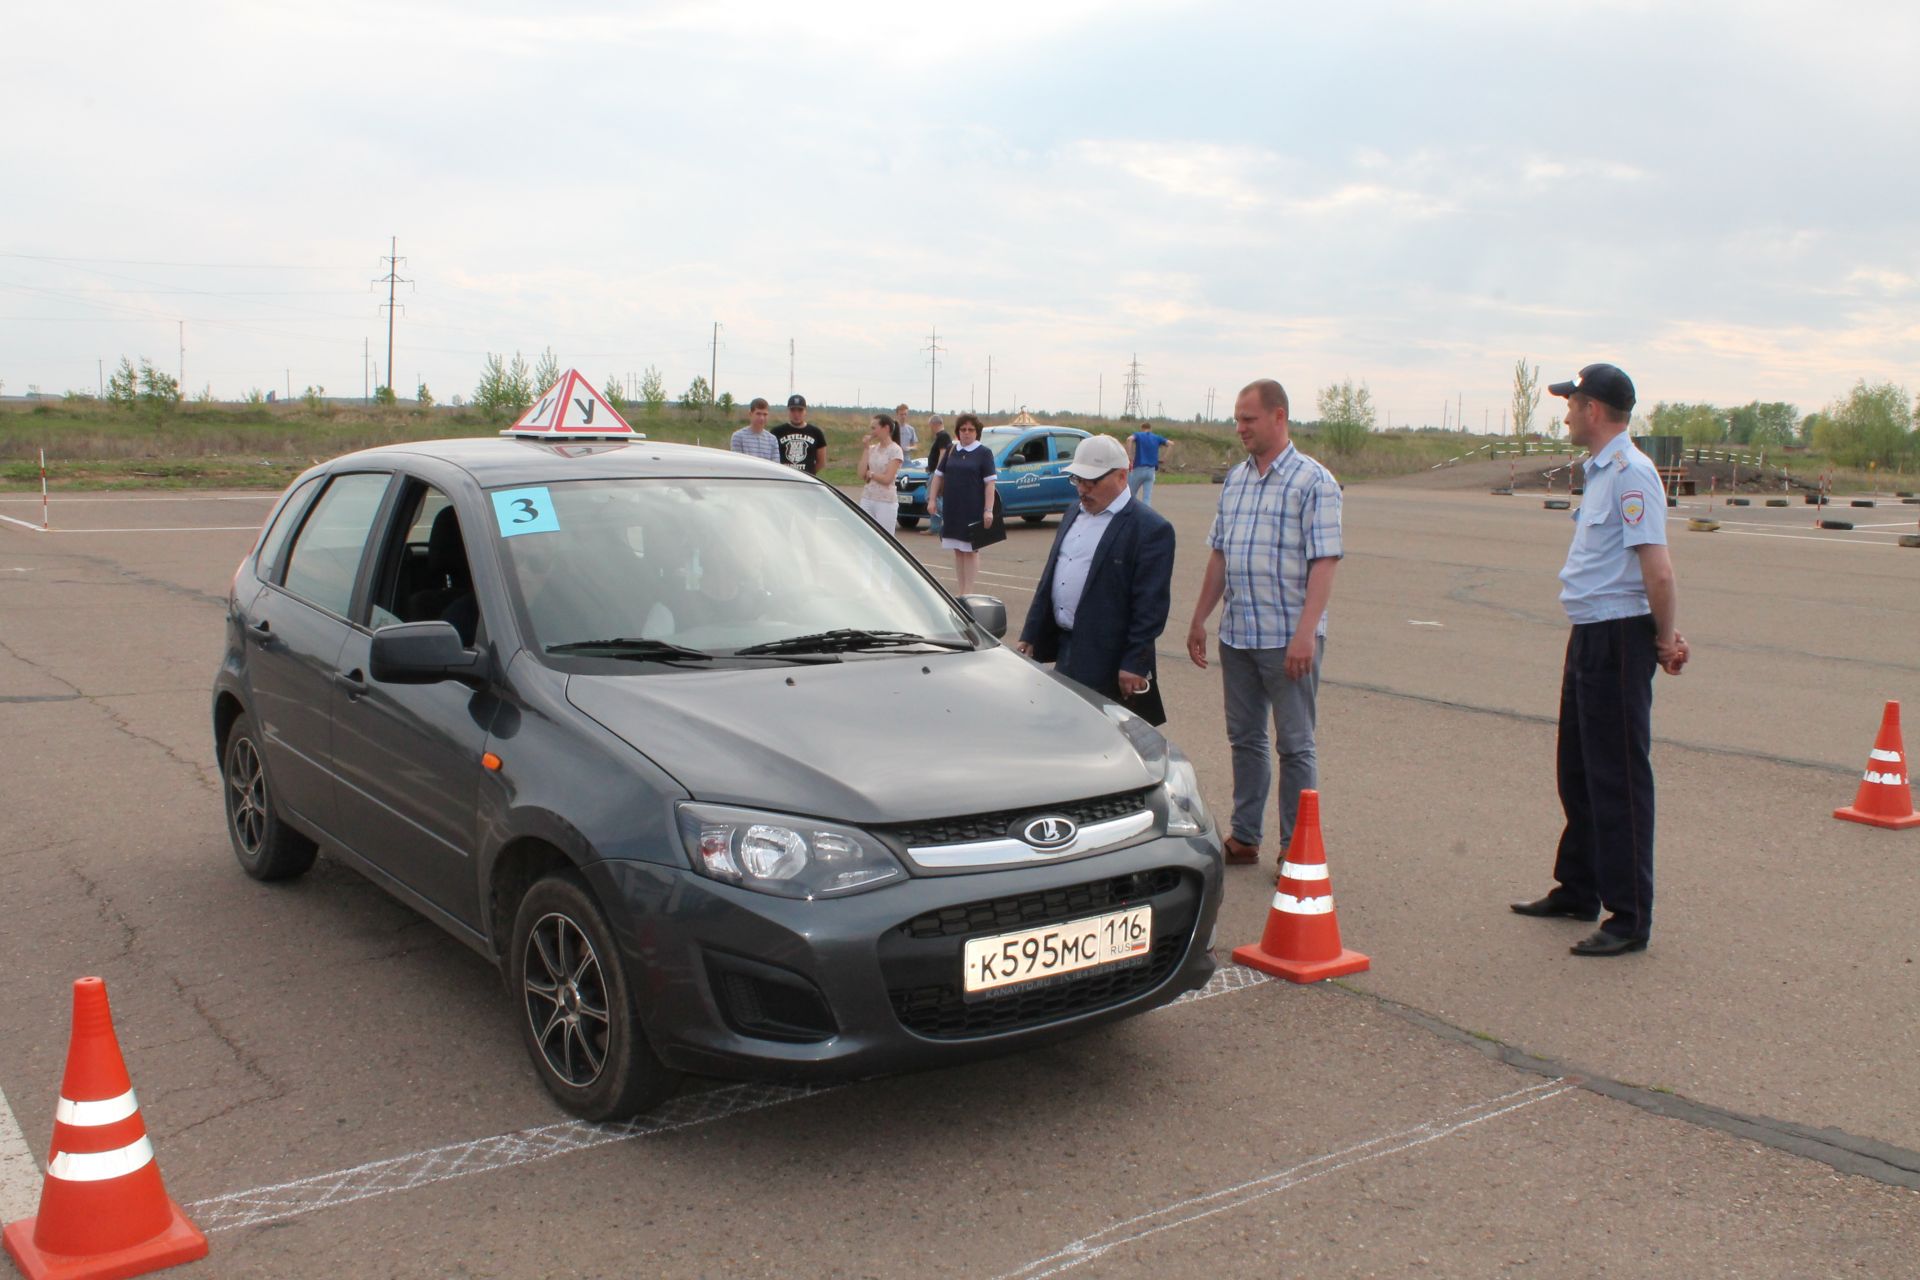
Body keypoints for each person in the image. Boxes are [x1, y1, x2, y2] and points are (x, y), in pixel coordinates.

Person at [1511, 363, 1689, 957]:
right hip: (1591, 632)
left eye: (1571, 402)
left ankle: (1629, 914)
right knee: (1579, 771)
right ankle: (1579, 887)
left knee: (1618, 778)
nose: (1564, 412)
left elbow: (1656, 568)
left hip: (1618, 637)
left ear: (1593, 409)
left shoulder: (1631, 474)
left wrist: (1665, 640)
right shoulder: (1602, 472)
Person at [1186, 379, 1342, 866]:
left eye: (1248, 420)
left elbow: (1325, 562)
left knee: (1295, 746)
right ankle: (1245, 836)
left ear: (1279, 417)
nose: (1240, 428)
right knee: (1246, 740)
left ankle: (1296, 851)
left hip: (1286, 641)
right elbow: (1220, 554)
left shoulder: (1314, 482)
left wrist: (1305, 633)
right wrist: (1199, 619)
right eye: (1237, 419)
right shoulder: (1235, 480)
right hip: (1239, 635)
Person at [1016, 435, 1174, 723]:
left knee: (1105, 739)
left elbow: (1150, 606)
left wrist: (1134, 663)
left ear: (1122, 476)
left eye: (1092, 482)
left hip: (1110, 658)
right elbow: (1052, 576)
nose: (1083, 489)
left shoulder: (1150, 529)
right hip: (1067, 648)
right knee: (1063, 728)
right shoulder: (1074, 512)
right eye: (1078, 480)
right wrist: (1031, 632)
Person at [926, 412, 996, 594]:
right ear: (958, 432)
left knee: (971, 550)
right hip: (953, 508)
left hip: (973, 508)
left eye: (970, 430)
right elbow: (938, 477)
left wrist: (988, 510)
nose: (966, 433)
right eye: (963, 429)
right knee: (958, 549)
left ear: (977, 432)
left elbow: (990, 484)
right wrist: (932, 500)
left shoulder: (984, 453)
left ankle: (968, 592)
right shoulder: (951, 450)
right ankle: (961, 590)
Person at [856, 412, 905, 534]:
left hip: (885, 501)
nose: (872, 431)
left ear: (886, 428)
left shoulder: (895, 450)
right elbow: (861, 473)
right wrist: (866, 448)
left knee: (885, 537)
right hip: (868, 497)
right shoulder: (873, 449)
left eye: (874, 428)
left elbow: (887, 479)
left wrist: (872, 474)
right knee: (865, 536)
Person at [774, 394, 828, 474]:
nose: (796, 414)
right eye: (793, 410)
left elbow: (821, 462)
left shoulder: (816, 433)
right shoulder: (776, 432)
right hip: (784, 479)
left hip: (806, 481)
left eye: (800, 410)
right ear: (788, 411)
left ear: (805, 411)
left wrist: (809, 474)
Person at [1126, 424, 1173, 505]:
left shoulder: (1138, 435)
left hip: (1139, 468)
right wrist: (1164, 458)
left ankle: (1129, 514)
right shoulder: (1157, 437)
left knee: (1130, 494)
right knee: (1147, 497)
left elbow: (1129, 439)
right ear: (1150, 429)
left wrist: (1129, 456)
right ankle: (1145, 516)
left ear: (1142, 428)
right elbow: (1171, 444)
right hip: (1151, 470)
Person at [923, 415, 953, 536]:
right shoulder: (941, 437)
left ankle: (951, 518)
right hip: (934, 471)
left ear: (935, 424)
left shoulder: (943, 436)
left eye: (930, 425)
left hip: (937, 473)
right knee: (936, 498)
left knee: (931, 497)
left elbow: (943, 453)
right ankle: (935, 527)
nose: (930, 428)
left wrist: (938, 471)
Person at [729, 397, 780, 462]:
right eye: (758, 414)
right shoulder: (738, 437)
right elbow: (737, 464)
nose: (762, 418)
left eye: (765, 414)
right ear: (750, 414)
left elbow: (775, 465)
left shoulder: (772, 440)